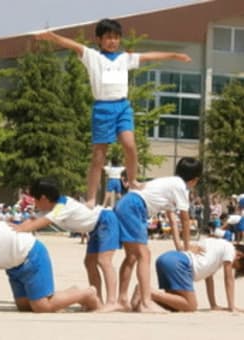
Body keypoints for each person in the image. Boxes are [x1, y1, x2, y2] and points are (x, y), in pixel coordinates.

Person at [35, 18, 191, 207]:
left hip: (123, 106)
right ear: (99, 39)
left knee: (130, 145)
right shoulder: (93, 56)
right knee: (98, 157)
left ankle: (133, 181)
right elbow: (73, 45)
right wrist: (51, 37)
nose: (113, 41)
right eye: (108, 37)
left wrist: (174, 55)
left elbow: (149, 56)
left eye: (116, 38)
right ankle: (92, 198)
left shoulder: (125, 58)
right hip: (103, 108)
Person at [0, 220, 99, 313]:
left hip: (32, 256)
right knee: (24, 306)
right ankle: (73, 292)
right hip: (14, 266)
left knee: (41, 307)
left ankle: (87, 293)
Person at [13, 177, 121, 312]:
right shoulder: (50, 207)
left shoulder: (61, 206)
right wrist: (14, 228)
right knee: (90, 262)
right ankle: (97, 298)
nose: (34, 203)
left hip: (105, 220)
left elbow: (43, 222)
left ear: (44, 198)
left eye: (35, 199)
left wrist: (21, 229)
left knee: (104, 261)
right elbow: (33, 219)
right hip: (94, 228)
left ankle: (112, 301)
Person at [114, 157, 203, 312]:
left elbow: (173, 220)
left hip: (126, 203)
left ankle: (122, 299)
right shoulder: (181, 187)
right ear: (195, 180)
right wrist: (188, 250)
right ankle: (146, 301)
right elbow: (185, 219)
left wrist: (179, 247)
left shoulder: (169, 183)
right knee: (144, 255)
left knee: (132, 257)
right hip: (135, 206)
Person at [146, 238, 244, 312]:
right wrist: (232, 306)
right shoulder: (230, 249)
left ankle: (143, 297)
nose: (234, 268)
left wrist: (213, 305)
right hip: (180, 264)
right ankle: (147, 292)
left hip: (168, 258)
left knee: (176, 306)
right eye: (238, 267)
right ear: (239, 255)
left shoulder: (216, 245)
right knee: (191, 306)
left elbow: (209, 278)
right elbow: (228, 279)